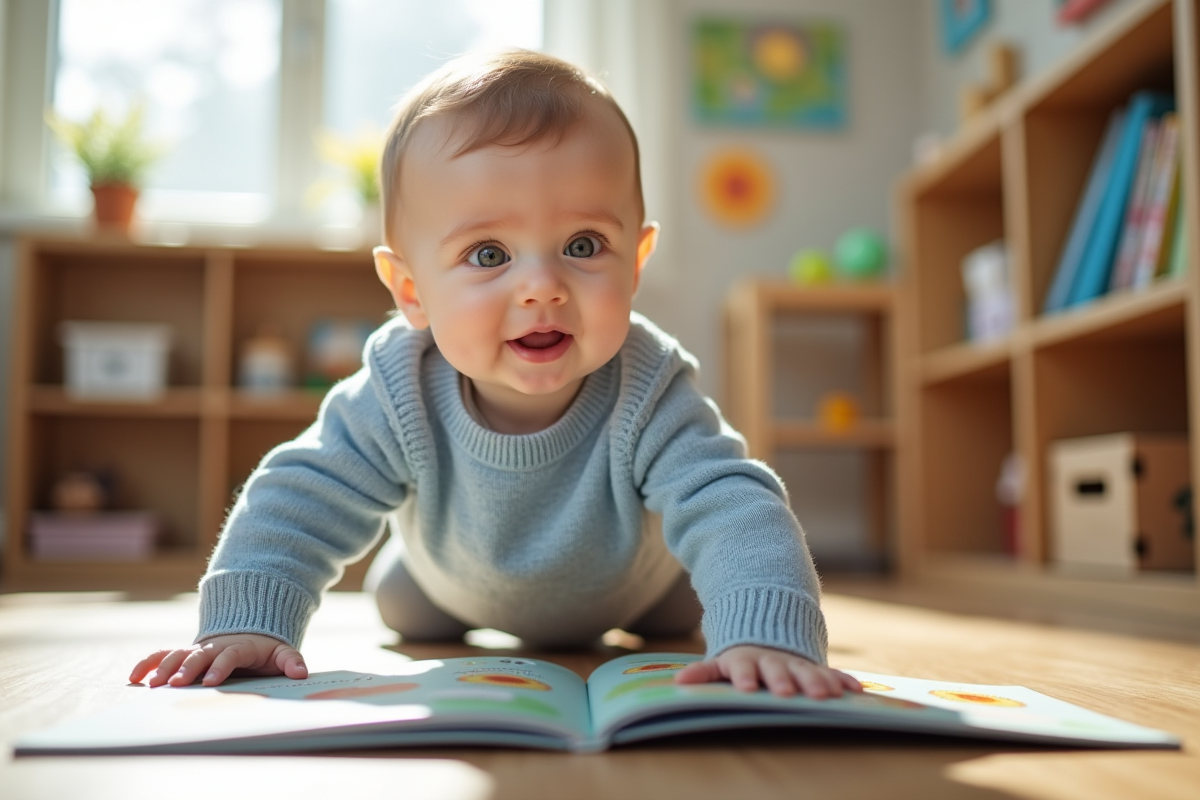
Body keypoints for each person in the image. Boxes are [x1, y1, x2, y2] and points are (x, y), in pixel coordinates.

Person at [130, 49, 861, 700]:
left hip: (633, 592)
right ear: (411, 291)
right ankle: (421, 579)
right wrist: (246, 621)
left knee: (690, 608)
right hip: (451, 585)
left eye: (583, 244)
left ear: (636, 264)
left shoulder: (650, 385)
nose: (542, 287)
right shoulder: (399, 385)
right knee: (403, 609)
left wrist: (766, 633)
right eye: (488, 255)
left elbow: (731, 503)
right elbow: (304, 494)